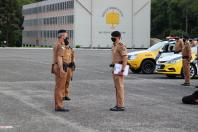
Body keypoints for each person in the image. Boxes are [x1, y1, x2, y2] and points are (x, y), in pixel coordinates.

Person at [109, 31, 128, 111]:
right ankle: (118, 104)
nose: (112, 38)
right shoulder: (114, 45)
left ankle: (121, 105)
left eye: (114, 37)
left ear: (118, 37)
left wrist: (123, 69)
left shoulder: (121, 46)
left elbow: (125, 58)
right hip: (115, 67)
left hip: (120, 67)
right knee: (117, 87)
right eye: (112, 36)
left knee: (120, 87)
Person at [52, 29, 69, 112]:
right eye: (66, 36)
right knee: (60, 87)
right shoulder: (61, 45)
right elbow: (59, 57)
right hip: (60, 67)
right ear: (62, 36)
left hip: (56, 66)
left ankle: (57, 105)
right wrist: (61, 69)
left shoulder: (57, 44)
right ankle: (59, 106)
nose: (67, 38)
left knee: (57, 87)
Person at [62, 37, 76, 101]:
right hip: (63, 67)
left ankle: (66, 95)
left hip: (69, 67)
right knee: (62, 82)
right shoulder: (62, 48)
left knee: (67, 82)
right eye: (66, 39)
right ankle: (62, 95)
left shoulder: (71, 49)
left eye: (67, 39)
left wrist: (73, 64)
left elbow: (73, 57)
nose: (67, 41)